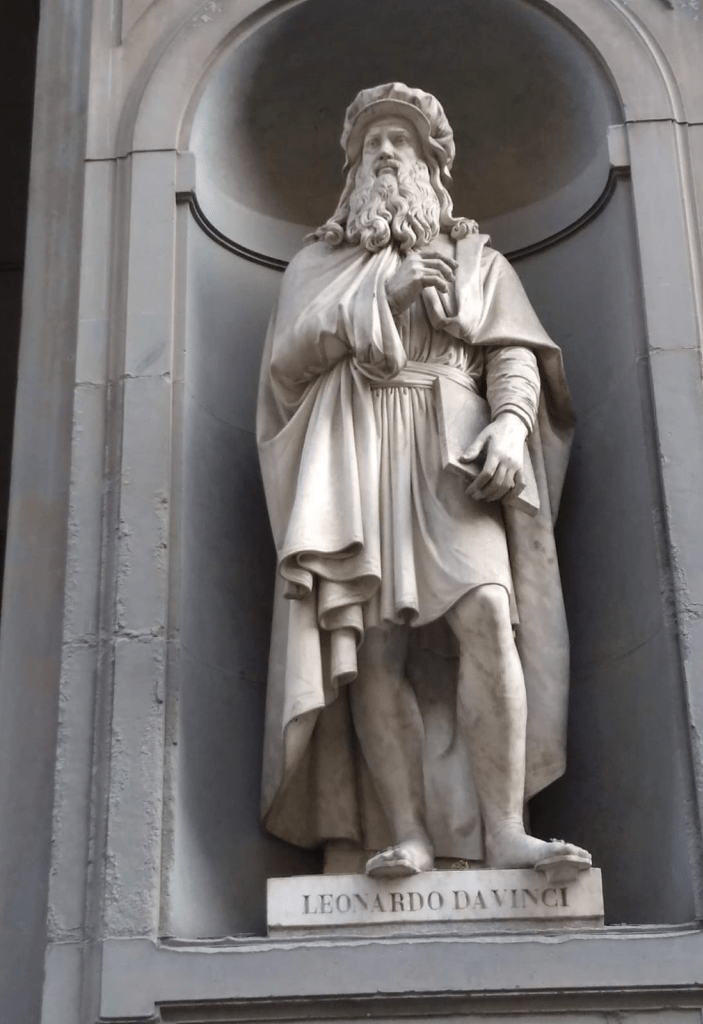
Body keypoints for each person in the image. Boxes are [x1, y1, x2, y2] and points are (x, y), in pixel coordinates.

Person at [257, 83, 591, 879]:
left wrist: (510, 423)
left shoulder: (479, 260)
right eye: (371, 142)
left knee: (489, 614)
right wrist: (386, 293)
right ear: (352, 171)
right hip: (358, 447)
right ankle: (404, 832)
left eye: (399, 140)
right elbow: (288, 362)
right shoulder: (317, 264)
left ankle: (505, 830)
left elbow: (513, 353)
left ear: (430, 167)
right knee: (375, 645)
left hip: (455, 444)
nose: (384, 152)